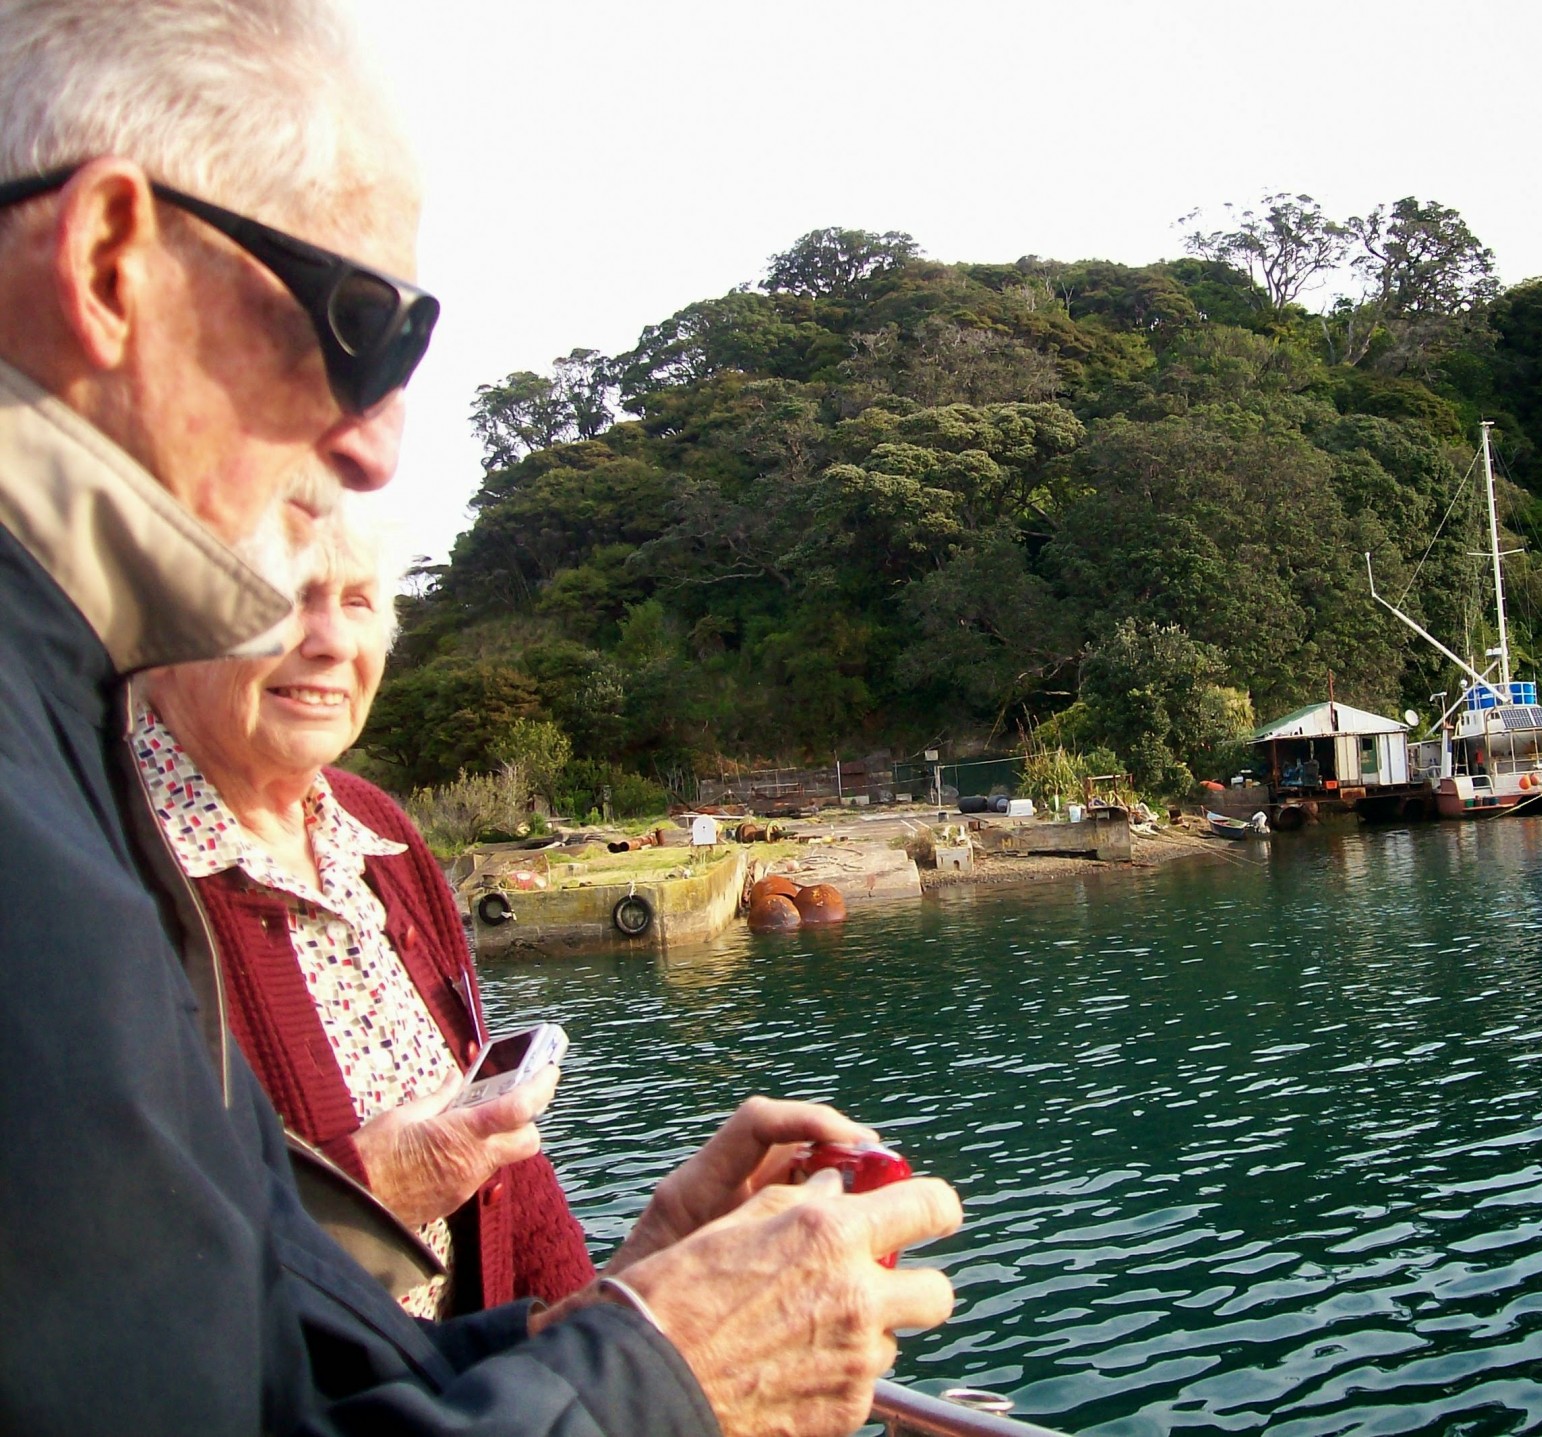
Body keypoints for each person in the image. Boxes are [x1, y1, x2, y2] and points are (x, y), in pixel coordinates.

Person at [0, 3, 961, 1434]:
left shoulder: (78, 755)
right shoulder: (41, 815)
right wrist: (657, 1380)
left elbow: (244, 1365)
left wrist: (627, 1308)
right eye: (360, 326)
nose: (378, 449)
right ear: (109, 259)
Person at [138, 508, 595, 1317]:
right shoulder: (102, 857)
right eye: (285, 596)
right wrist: (360, 1193)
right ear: (164, 621)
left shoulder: (377, 833)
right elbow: (92, 1269)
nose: (332, 641)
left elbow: (498, 1164)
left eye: (357, 603)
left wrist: (607, 1319)